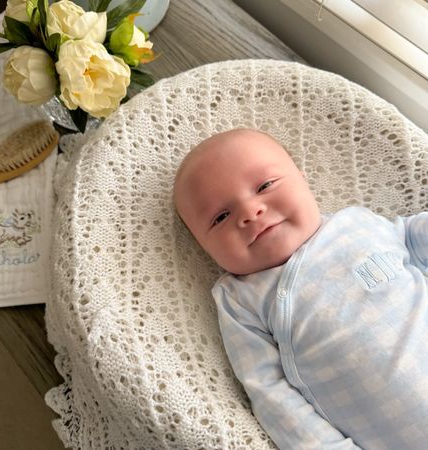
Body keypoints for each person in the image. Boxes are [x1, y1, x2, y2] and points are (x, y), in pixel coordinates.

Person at [173, 128, 428, 450]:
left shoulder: (359, 224)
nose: (251, 213)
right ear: (203, 245)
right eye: (221, 217)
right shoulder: (242, 298)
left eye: (265, 186)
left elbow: (416, 237)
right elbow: (268, 389)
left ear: (302, 179)